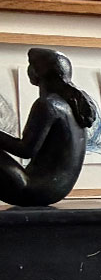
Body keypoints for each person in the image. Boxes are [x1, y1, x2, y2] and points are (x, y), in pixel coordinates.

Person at [0, 48, 93, 206]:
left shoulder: (48, 105)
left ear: (36, 73)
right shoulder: (72, 104)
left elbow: (25, 150)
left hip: (35, 190)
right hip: (53, 190)